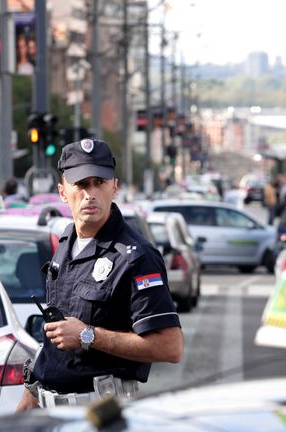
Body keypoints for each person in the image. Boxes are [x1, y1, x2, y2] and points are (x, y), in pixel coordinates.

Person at [16, 138, 183, 411]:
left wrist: (87, 336)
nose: (90, 193)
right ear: (62, 191)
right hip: (50, 414)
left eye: (99, 183)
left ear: (114, 187)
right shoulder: (66, 242)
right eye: (81, 184)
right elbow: (57, 341)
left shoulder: (136, 256)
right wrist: (25, 408)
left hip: (101, 417)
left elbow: (170, 347)